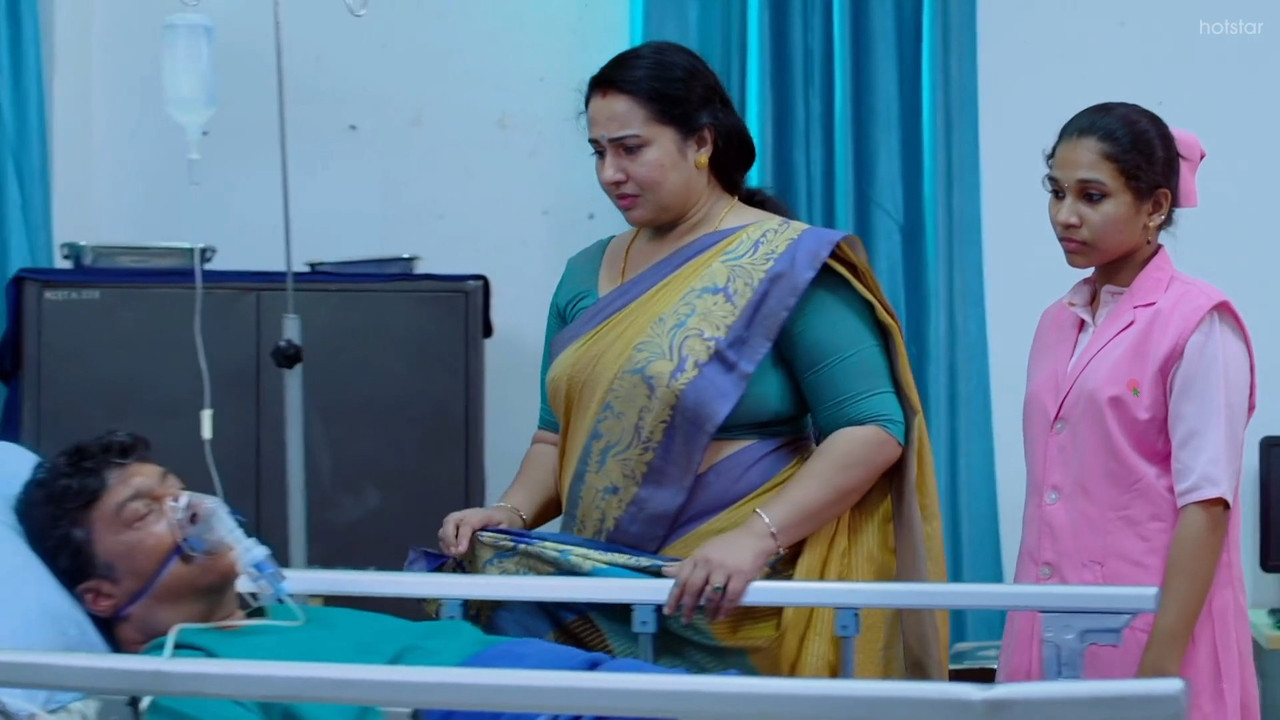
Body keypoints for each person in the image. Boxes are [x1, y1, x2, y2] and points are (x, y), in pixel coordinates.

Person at [431, 40, 948, 680]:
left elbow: (871, 429)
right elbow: (553, 438)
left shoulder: (789, 265)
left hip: (734, 595)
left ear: (701, 142)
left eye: (631, 148)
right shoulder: (584, 272)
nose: (610, 173)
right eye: (598, 152)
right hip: (603, 593)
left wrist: (754, 538)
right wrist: (507, 513)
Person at [13, 431, 693, 720]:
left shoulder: (275, 615)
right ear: (99, 594)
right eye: (144, 512)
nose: (189, 509)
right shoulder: (187, 681)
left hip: (549, 679)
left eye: (176, 490)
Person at [996, 102, 1259, 720]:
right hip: (1047, 622)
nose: (1065, 215)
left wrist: (1155, 679)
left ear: (1156, 206)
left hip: (1156, 635)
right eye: (1056, 192)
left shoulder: (1200, 323)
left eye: (1092, 196)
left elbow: (1206, 506)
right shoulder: (1057, 322)